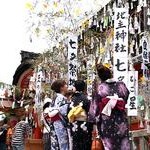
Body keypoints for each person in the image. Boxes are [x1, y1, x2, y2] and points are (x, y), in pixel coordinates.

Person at [96, 64, 130, 150]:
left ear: (100, 77)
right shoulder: (121, 85)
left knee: (110, 146)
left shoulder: (100, 88)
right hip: (121, 120)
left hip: (107, 121)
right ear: (111, 73)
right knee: (123, 145)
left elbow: (95, 108)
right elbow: (125, 99)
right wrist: (117, 103)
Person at [68, 80, 93, 150]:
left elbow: (68, 112)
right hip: (84, 124)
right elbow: (91, 113)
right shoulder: (86, 99)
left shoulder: (71, 99)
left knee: (75, 143)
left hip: (74, 123)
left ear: (75, 87)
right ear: (84, 88)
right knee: (85, 143)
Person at [49, 80, 70, 150]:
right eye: (65, 85)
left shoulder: (55, 97)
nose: (67, 86)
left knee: (58, 143)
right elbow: (64, 112)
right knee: (64, 144)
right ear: (61, 88)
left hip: (56, 122)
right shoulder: (61, 98)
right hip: (60, 122)